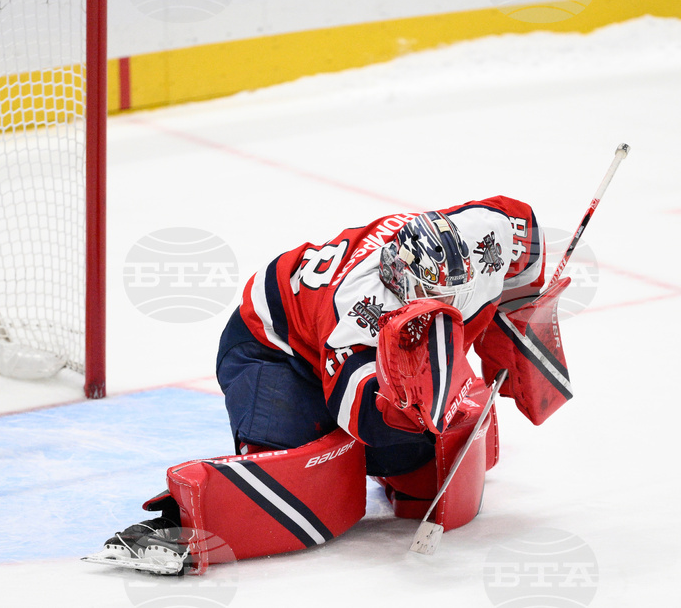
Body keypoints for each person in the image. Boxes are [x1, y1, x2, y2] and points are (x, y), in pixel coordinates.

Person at [87, 195, 567, 575]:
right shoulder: (360, 312)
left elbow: (527, 245)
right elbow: (363, 420)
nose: (446, 304)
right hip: (273, 347)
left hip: (325, 330)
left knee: (423, 473)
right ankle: (181, 523)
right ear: (396, 282)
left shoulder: (489, 235)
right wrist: (422, 410)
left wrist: (512, 331)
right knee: (319, 467)